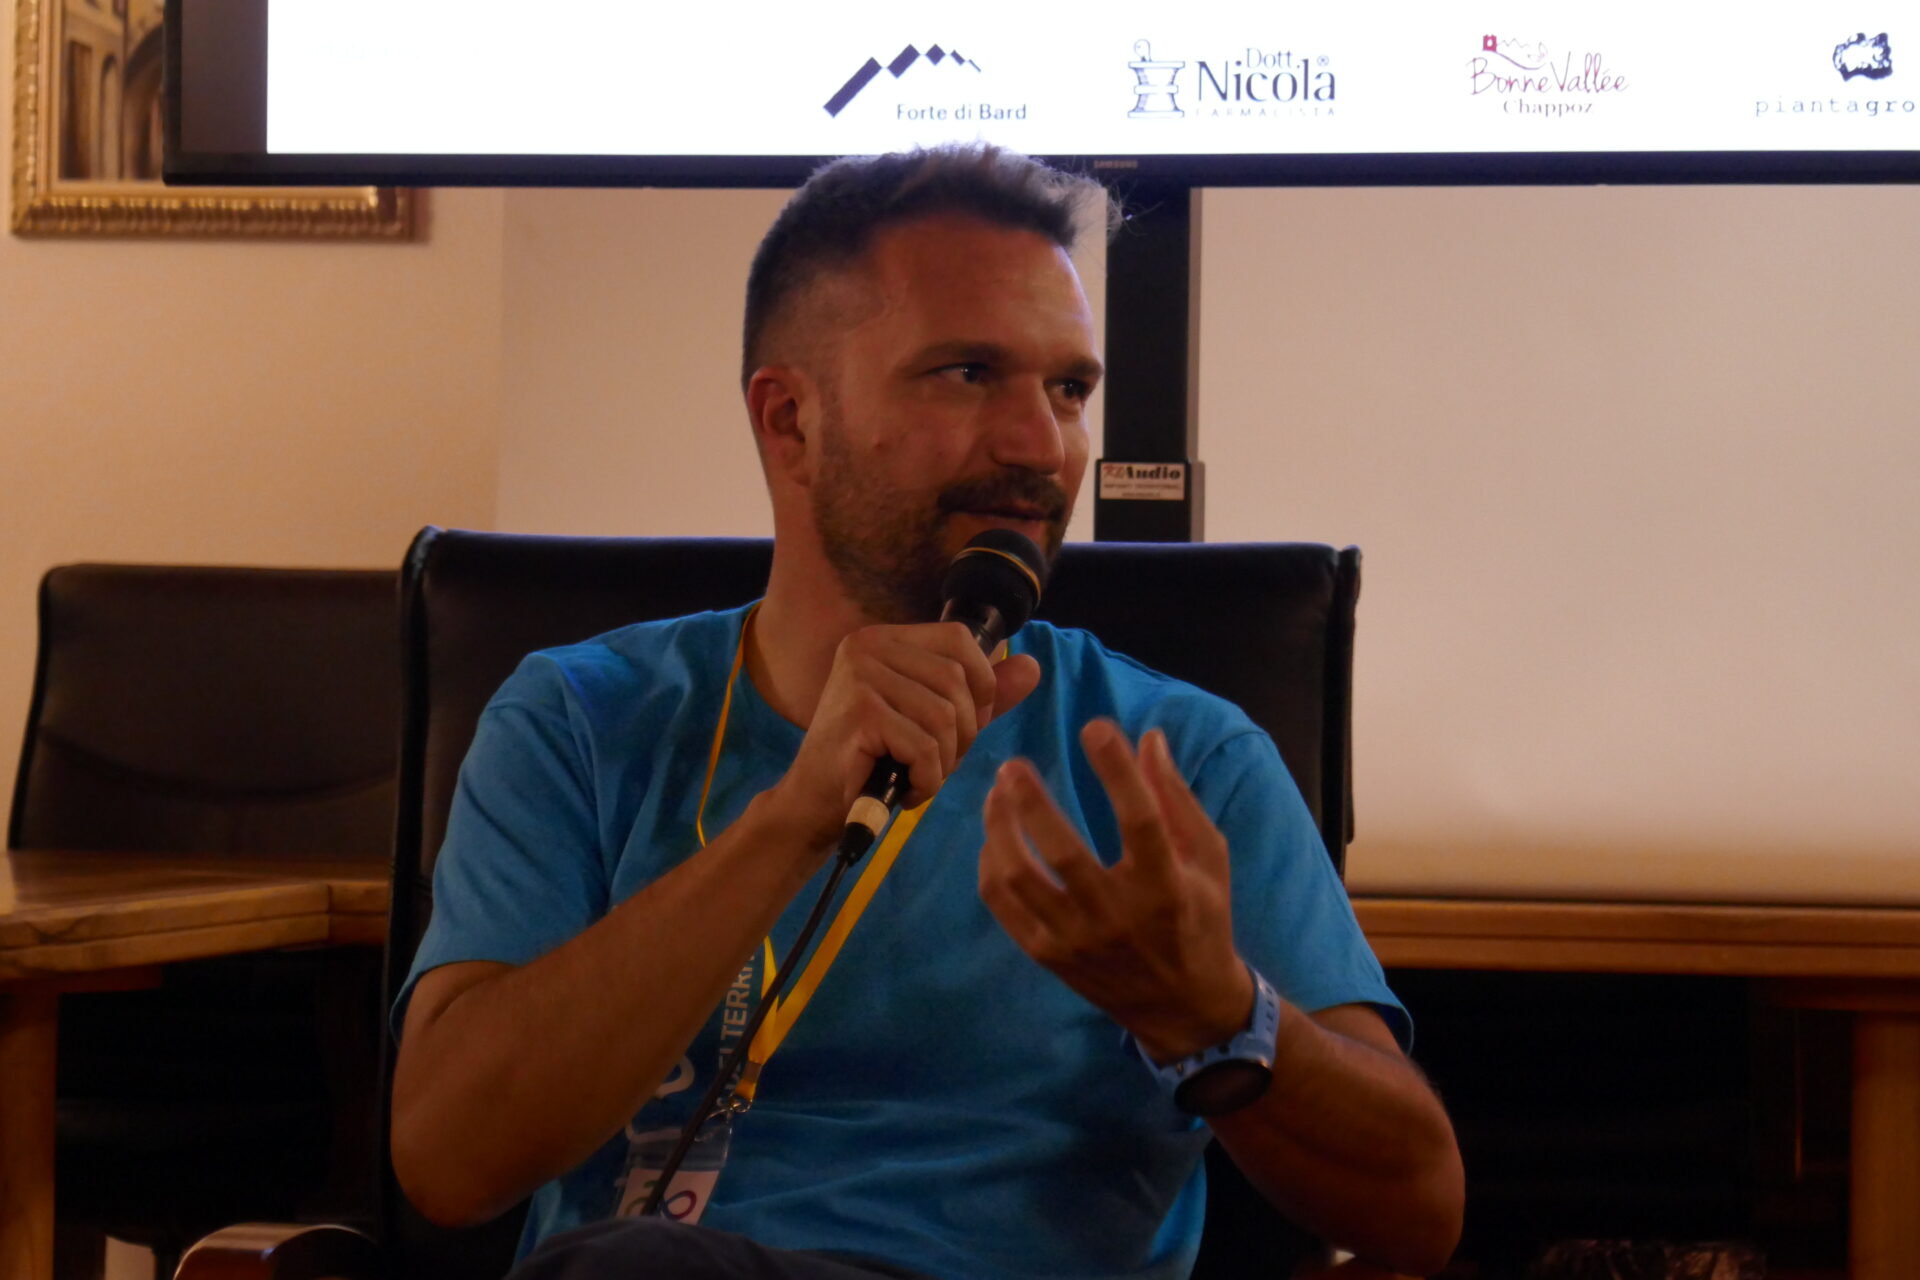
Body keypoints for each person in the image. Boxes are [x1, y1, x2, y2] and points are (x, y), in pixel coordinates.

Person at [387, 144, 1463, 1280]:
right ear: (789, 420)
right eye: (967, 374)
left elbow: (1419, 1209)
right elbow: (449, 1162)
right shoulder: (577, 718)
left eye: (1069, 390)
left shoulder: (1175, 759)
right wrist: (792, 820)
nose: (1041, 445)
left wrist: (1218, 1015)